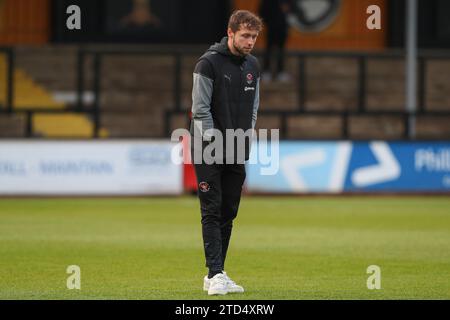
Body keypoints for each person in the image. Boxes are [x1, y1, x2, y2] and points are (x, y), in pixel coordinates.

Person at [189, 10, 262, 295]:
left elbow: (254, 108)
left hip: (237, 148)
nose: (250, 41)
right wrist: (216, 143)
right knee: (211, 209)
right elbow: (200, 110)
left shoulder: (253, 65)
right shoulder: (207, 64)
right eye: (245, 35)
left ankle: (217, 273)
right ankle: (216, 273)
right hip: (208, 149)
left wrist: (246, 139)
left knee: (229, 211)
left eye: (254, 37)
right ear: (230, 33)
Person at [259, 0, 291, 82]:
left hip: (283, 29)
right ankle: (266, 72)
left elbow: (292, 11)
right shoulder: (268, 1)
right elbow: (262, 12)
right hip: (271, 29)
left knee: (281, 50)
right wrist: (269, 22)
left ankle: (280, 72)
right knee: (269, 50)